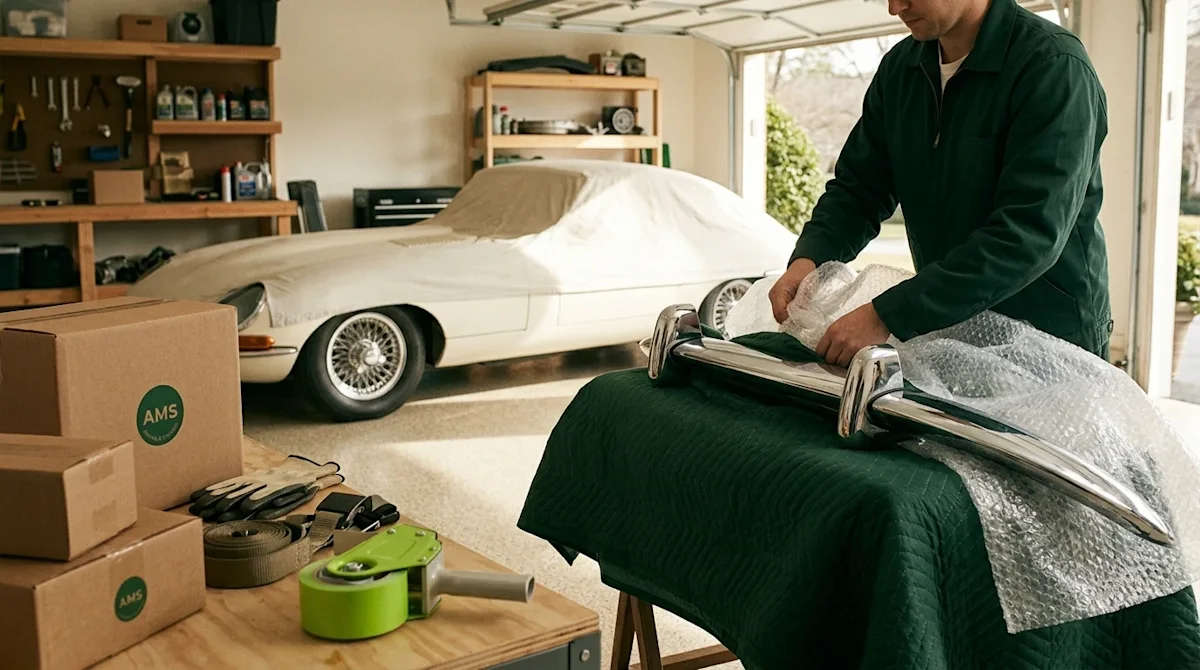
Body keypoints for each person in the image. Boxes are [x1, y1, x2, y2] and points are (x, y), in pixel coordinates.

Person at [768, 0, 1113, 367]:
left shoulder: (1052, 66)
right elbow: (859, 189)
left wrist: (888, 314)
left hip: (1050, 344)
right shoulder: (901, 71)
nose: (894, 7)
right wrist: (809, 261)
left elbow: (1027, 234)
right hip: (948, 327)